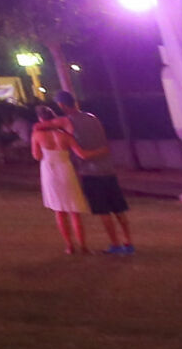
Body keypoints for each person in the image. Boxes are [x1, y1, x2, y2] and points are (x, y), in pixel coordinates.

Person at [54, 90, 134, 254]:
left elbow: (43, 126)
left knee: (103, 211)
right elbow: (104, 140)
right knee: (118, 208)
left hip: (90, 172)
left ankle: (115, 244)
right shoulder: (92, 118)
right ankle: (128, 242)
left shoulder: (67, 122)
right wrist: (102, 151)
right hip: (107, 168)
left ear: (62, 105)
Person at [31, 102, 90, 254]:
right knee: (74, 211)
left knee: (60, 211)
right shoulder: (65, 136)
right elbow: (79, 153)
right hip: (66, 169)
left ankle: (70, 246)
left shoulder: (37, 135)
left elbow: (37, 156)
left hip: (50, 170)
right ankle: (83, 245)